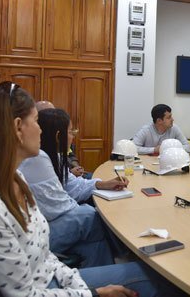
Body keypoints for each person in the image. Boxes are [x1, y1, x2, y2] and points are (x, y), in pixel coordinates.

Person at [0, 82, 179, 297]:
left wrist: (77, 283)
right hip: (46, 289)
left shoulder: (14, 179)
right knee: (158, 279)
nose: (41, 129)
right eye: (36, 121)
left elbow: (44, 256)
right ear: (17, 127)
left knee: (103, 246)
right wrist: (94, 293)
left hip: (53, 280)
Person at [19, 108, 127, 266]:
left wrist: (103, 184)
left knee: (95, 244)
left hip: (49, 226)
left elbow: (73, 186)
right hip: (40, 234)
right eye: (70, 132)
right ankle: (127, 254)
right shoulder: (37, 159)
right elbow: (58, 208)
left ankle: (103, 282)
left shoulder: (54, 156)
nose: (73, 137)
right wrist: (82, 208)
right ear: (58, 136)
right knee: (91, 215)